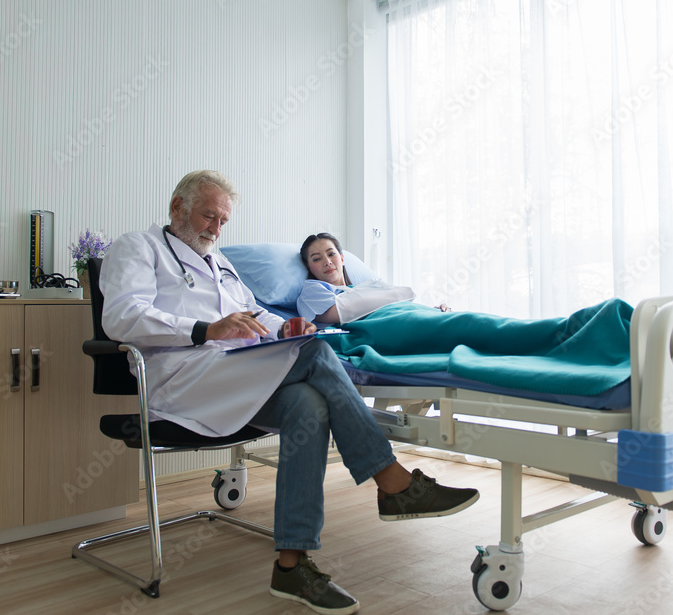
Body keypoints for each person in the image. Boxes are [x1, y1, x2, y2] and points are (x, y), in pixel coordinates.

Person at [100, 171, 479, 615]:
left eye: (223, 220)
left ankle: (292, 565)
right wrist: (205, 329)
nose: (215, 228)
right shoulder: (138, 248)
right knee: (317, 354)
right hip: (183, 379)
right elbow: (122, 319)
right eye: (208, 216)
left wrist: (284, 326)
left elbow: (251, 309)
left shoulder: (218, 261)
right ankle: (392, 481)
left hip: (232, 376)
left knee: (308, 403)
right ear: (177, 208)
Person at [298, 233, 448, 322]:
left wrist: (430, 310)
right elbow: (345, 311)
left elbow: (400, 306)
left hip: (407, 314)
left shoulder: (367, 287)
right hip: (387, 325)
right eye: (317, 259)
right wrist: (400, 293)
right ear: (309, 267)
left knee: (453, 319)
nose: (327, 262)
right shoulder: (312, 292)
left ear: (342, 259)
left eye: (331, 254)